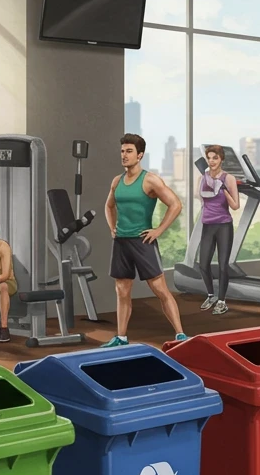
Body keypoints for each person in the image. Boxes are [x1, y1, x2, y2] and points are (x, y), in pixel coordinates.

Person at [102, 133, 186, 347]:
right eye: (122, 151)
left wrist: (158, 230)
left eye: (129, 151)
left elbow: (175, 204)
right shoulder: (116, 181)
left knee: (159, 289)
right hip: (121, 242)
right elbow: (109, 206)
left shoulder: (150, 180)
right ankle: (121, 337)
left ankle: (180, 335)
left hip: (142, 242)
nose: (124, 155)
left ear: (140, 155)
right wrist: (112, 228)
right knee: (122, 290)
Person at [196, 144, 240, 316]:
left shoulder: (228, 178)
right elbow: (200, 198)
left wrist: (223, 190)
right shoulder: (203, 177)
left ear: (221, 159)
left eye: (215, 158)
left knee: (222, 266)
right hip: (207, 225)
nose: (212, 161)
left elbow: (235, 206)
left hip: (223, 226)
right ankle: (210, 295)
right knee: (203, 264)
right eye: (209, 158)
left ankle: (222, 301)